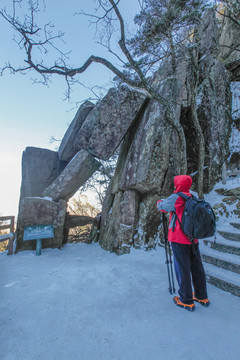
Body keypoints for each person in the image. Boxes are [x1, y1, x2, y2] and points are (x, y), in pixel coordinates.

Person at [157, 175, 210, 311]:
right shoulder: (193, 197)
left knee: (182, 268)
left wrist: (159, 201)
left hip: (179, 238)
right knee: (197, 266)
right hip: (193, 238)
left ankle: (186, 299)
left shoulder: (176, 197)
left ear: (178, 184)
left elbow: (162, 207)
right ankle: (201, 296)